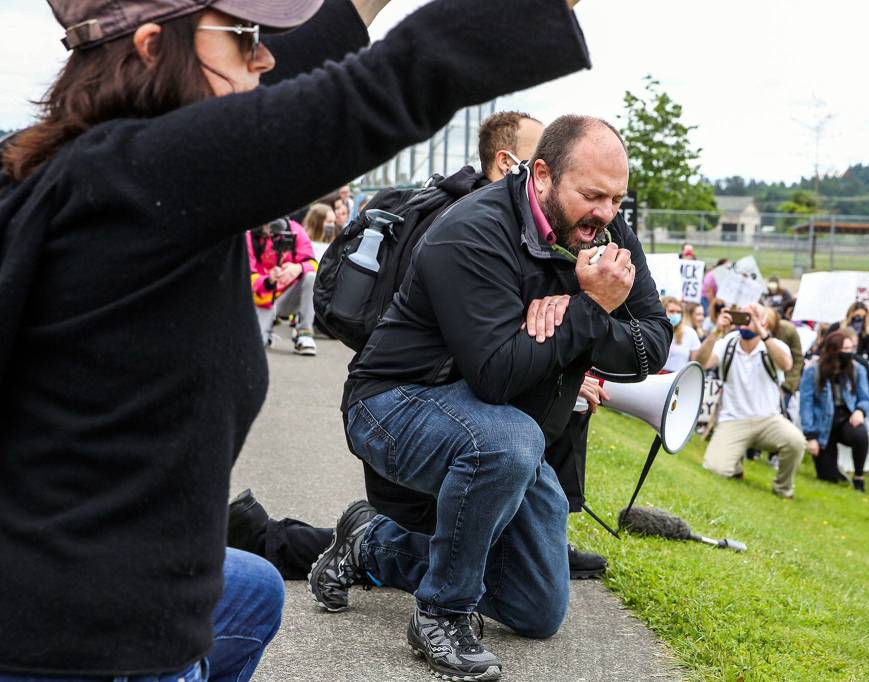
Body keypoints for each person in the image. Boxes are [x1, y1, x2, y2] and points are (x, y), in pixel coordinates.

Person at [0, 0, 592, 678]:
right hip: (76, 633)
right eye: (245, 38)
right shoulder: (151, 173)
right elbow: (381, 87)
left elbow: (290, 73)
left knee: (251, 591)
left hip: (72, 574)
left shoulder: (95, 167)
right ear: (151, 47)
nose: (266, 56)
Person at [312, 116, 669, 680]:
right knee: (510, 441)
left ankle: (371, 544)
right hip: (393, 402)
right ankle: (442, 612)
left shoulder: (605, 233)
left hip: (493, 418)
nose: (606, 214)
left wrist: (580, 312)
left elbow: (651, 344)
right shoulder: (472, 230)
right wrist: (588, 308)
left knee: (537, 610)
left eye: (617, 199)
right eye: (592, 195)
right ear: (544, 175)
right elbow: (497, 375)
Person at [695, 304, 806, 498]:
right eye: (743, 316)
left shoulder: (773, 345)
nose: (747, 321)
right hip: (733, 420)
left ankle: (783, 488)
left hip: (768, 420)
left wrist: (762, 332)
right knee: (715, 469)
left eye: (752, 317)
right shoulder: (728, 342)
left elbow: (787, 364)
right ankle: (735, 465)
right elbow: (701, 362)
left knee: (796, 441)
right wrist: (716, 331)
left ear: (763, 321)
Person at [800, 331, 869, 491]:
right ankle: (834, 468)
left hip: (845, 419)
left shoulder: (858, 369)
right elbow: (806, 405)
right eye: (845, 348)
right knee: (827, 478)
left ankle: (859, 476)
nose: (849, 352)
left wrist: (860, 410)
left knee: (860, 434)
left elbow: (865, 397)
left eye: (851, 348)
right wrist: (810, 436)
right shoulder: (813, 371)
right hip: (823, 426)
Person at [248, 218, 319, 354]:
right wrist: (268, 280)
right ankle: (266, 329)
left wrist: (299, 267)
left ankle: (305, 333)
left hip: (287, 297)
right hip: (260, 299)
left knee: (311, 277)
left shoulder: (295, 229)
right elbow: (247, 275)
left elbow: (314, 264)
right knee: (256, 345)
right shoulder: (249, 236)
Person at [828, 301, 869, 366]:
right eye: (857, 316)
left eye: (862, 317)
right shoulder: (837, 327)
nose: (858, 320)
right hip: (834, 362)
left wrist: (866, 365)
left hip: (855, 364)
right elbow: (824, 346)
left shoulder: (867, 333)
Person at [661, 296, 701, 372]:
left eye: (679, 312)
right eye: (671, 311)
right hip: (656, 377)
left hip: (678, 379)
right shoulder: (655, 332)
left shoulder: (689, 333)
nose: (675, 315)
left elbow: (696, 361)